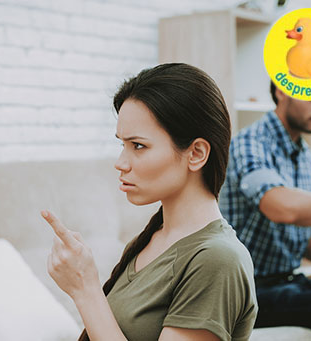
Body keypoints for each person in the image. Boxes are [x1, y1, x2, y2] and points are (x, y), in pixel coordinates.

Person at [41, 63, 258, 341]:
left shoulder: (217, 260)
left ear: (196, 154)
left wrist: (86, 290)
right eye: (123, 145)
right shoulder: (151, 240)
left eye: (138, 146)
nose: (121, 163)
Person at [219, 81, 311, 340]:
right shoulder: (250, 143)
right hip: (248, 292)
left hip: (290, 282)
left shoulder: (304, 155)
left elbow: (306, 242)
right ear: (281, 91)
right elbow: (280, 207)